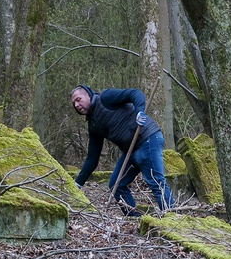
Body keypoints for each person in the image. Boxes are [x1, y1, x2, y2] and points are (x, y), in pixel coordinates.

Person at [70, 85, 174, 215]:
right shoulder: (93, 126)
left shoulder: (106, 98)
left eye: (78, 99)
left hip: (147, 138)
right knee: (116, 185)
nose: (76, 105)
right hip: (130, 150)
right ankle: (135, 218)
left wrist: (139, 112)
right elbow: (92, 158)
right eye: (74, 103)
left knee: (156, 182)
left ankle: (172, 220)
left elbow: (135, 93)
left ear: (88, 95)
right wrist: (78, 184)